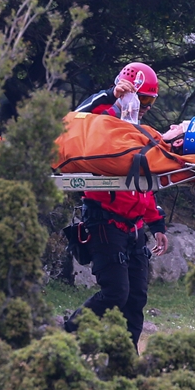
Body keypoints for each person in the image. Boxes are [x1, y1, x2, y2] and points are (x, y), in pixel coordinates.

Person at [64, 62, 170, 349]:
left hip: (134, 227)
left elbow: (142, 186)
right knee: (115, 294)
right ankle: (66, 337)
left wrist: (157, 224)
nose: (145, 106)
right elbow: (75, 119)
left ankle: (123, 362)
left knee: (136, 299)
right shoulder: (101, 121)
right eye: (142, 99)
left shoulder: (139, 130)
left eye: (150, 101)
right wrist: (110, 94)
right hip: (104, 221)